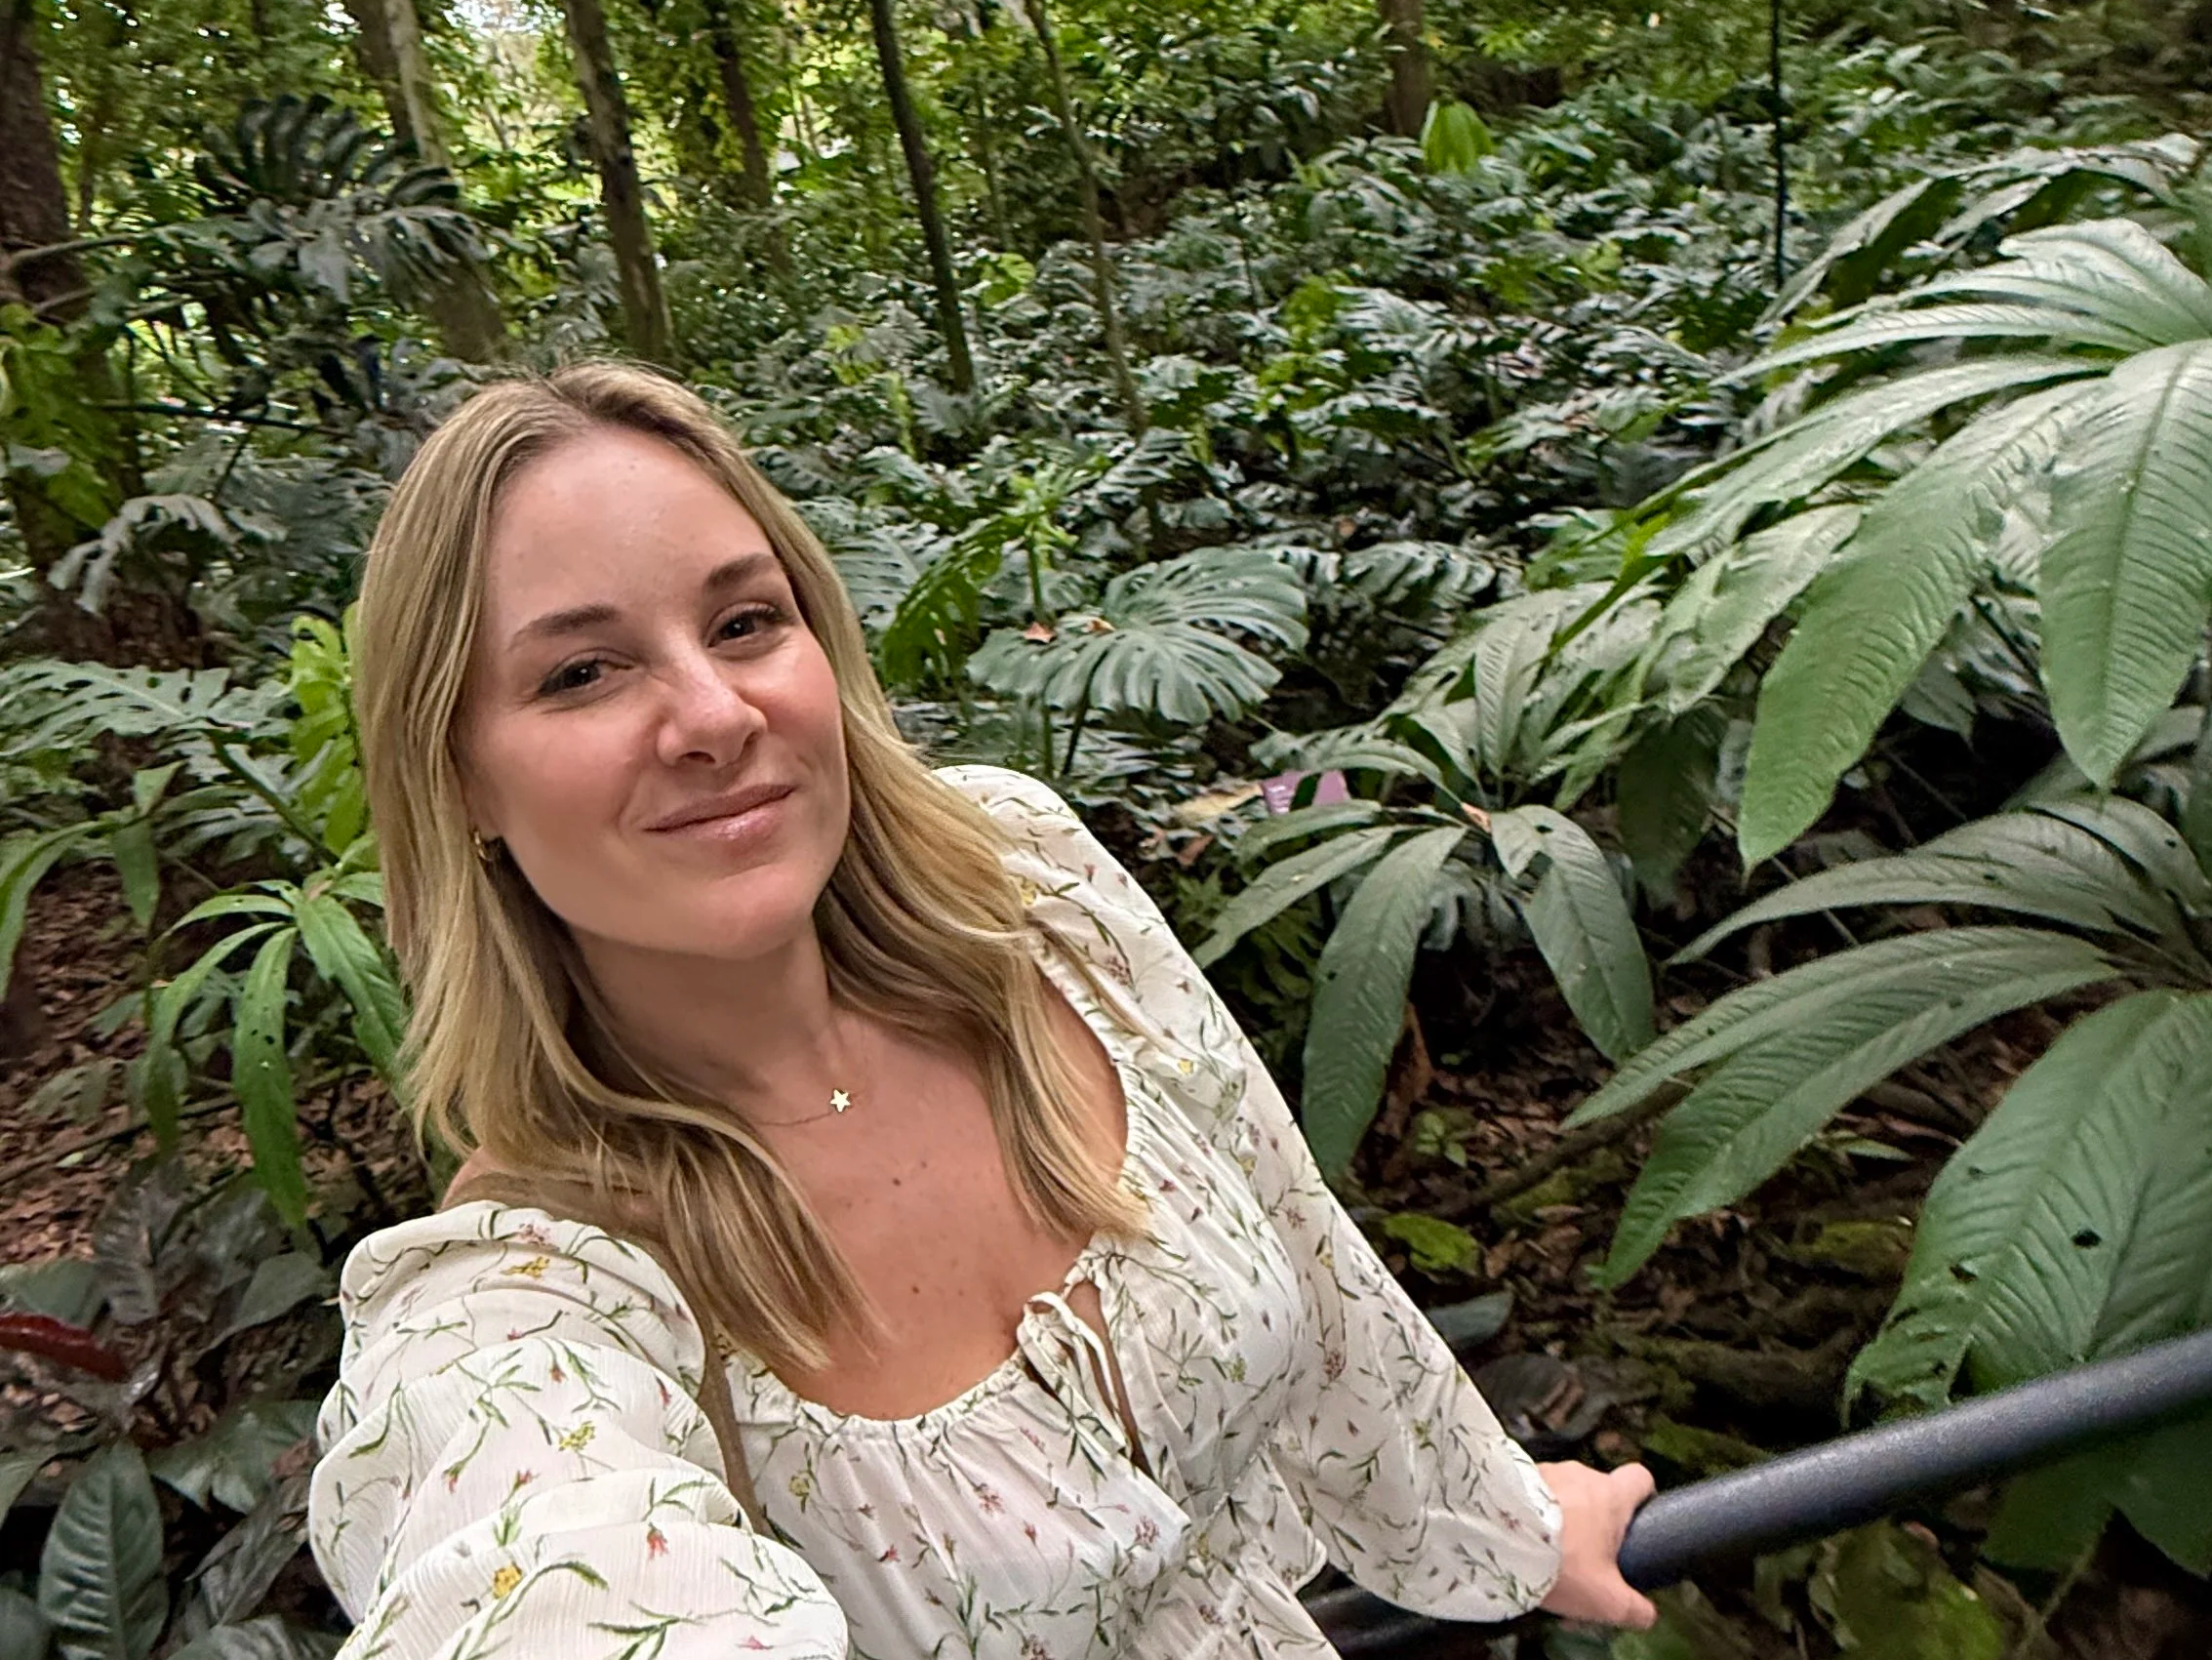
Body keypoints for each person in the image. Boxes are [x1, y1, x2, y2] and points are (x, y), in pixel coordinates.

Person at [307, 362, 1657, 1660]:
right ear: (460, 782)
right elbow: (535, 1560)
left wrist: (1508, 1529)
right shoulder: (526, 1300)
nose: (712, 714)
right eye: (582, 673)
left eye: (742, 623)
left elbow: (1305, 1240)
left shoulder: (1023, 888)